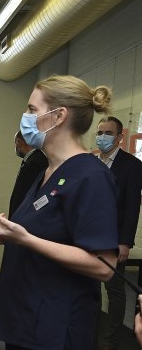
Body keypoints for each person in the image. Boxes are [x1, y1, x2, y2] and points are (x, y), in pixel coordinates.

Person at [0, 74, 118, 349]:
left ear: (58, 116)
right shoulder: (48, 170)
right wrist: (4, 234)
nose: (25, 116)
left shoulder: (90, 176)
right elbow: (51, 229)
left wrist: (26, 240)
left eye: (32, 109)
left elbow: (104, 265)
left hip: (56, 325)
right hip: (26, 317)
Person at [96, 116, 142, 350]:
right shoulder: (91, 162)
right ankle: (88, 333)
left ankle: (111, 341)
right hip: (87, 238)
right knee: (88, 288)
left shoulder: (132, 166)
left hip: (114, 240)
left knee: (114, 291)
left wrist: (125, 242)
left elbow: (133, 207)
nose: (102, 137)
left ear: (119, 137)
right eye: (100, 132)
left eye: (108, 133)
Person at [9, 130, 48, 216]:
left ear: (19, 142)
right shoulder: (31, 159)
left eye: (15, 142)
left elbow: (29, 193)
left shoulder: (35, 161)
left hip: (25, 216)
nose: (15, 147)